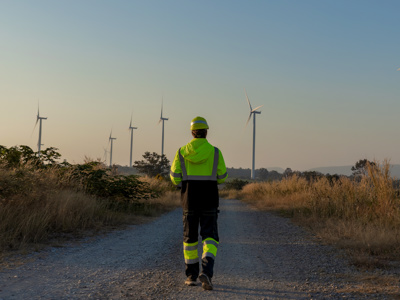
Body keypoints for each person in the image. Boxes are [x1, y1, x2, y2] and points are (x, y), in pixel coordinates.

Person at [170, 116, 228, 290]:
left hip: (189, 200)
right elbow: (222, 176)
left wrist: (185, 181)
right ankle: (207, 272)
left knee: (190, 239)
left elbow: (174, 178)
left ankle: (191, 276)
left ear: (192, 132)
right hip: (209, 200)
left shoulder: (181, 152)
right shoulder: (215, 152)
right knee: (210, 237)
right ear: (206, 132)